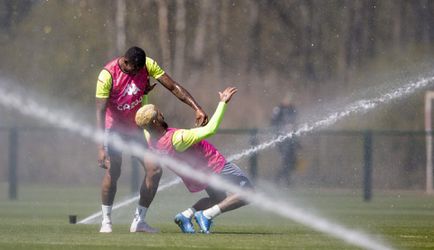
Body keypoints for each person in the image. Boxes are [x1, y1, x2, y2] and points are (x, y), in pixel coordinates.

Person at [96, 46, 208, 233]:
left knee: (155, 170)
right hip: (113, 129)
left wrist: (196, 107)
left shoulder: (147, 65)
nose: (140, 73)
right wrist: (100, 146)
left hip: (137, 129)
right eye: (135, 69)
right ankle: (106, 221)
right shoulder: (107, 75)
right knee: (114, 171)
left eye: (142, 70)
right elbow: (100, 111)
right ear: (125, 62)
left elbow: (173, 87)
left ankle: (139, 221)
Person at [134, 87, 252, 234]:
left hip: (199, 175)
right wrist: (223, 103)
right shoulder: (178, 138)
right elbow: (211, 129)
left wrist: (144, 95)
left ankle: (185, 216)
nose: (161, 113)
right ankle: (206, 215)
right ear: (155, 121)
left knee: (217, 198)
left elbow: (142, 120)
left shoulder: (150, 139)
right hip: (214, 167)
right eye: (158, 113)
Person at [271, 93, 299, 187]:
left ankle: (282, 180)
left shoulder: (292, 109)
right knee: (285, 160)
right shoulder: (278, 109)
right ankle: (281, 180)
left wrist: (298, 143)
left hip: (291, 140)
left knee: (291, 161)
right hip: (282, 139)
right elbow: (273, 123)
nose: (288, 101)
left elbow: (295, 123)